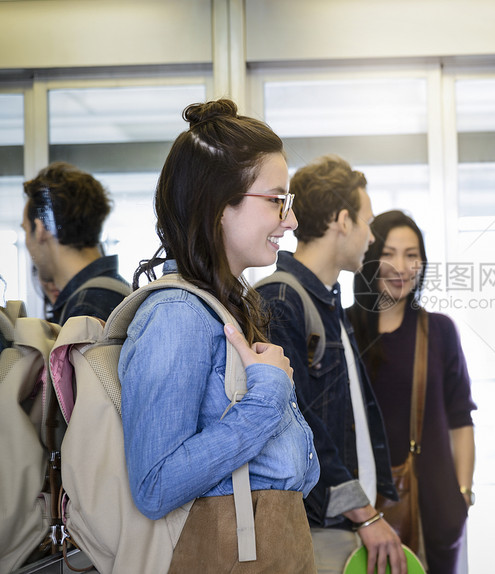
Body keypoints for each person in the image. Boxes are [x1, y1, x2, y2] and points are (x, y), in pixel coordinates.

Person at [119, 99, 319, 572]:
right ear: (218, 206)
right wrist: (269, 395)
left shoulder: (221, 309)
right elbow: (155, 485)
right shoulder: (176, 316)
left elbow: (296, 471)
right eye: (276, 200)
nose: (290, 220)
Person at [256, 155, 406, 574]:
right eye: (367, 222)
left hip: (344, 525)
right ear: (342, 220)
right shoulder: (282, 300)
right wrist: (365, 515)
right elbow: (297, 425)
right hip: (318, 529)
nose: (371, 236)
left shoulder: (324, 301)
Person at [347, 210, 477, 574]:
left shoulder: (438, 330)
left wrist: (462, 495)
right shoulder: (342, 329)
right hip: (358, 507)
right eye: (388, 253)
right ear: (369, 257)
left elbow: (460, 419)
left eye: (411, 254)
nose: (400, 266)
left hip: (433, 505)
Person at [21, 161, 129, 324]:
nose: (28, 242)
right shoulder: (113, 289)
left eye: (26, 230)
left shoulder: (85, 307)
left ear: (41, 229)